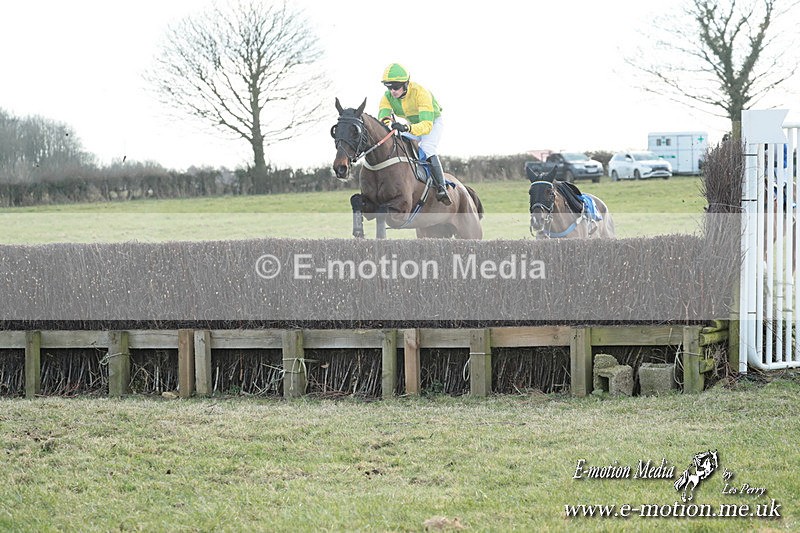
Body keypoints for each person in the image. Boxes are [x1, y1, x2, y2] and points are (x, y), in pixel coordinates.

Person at [377, 63, 451, 205]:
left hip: (432, 123)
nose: (392, 91)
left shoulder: (420, 92)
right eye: (389, 87)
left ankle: (441, 188)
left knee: (427, 147)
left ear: (406, 84)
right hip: (412, 125)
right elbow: (383, 119)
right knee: (397, 141)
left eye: (396, 87)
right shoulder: (387, 97)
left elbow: (426, 126)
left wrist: (406, 128)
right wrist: (389, 126)